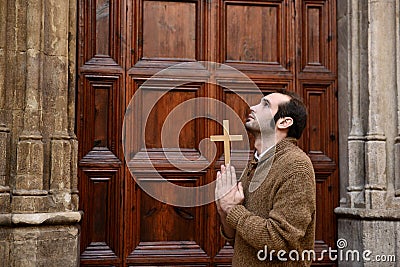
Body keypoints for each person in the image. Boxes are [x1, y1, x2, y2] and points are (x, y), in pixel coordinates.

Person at [215, 90, 316, 266]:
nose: (253, 107)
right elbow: (237, 238)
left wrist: (232, 210)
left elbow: (281, 242)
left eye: (266, 104)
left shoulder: (296, 166)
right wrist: (223, 209)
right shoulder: (255, 163)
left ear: (284, 122)